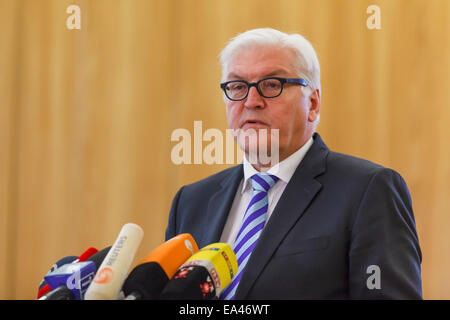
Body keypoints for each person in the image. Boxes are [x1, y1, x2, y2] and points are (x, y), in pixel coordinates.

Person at [165, 28, 422, 299]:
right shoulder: (191, 202)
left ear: (312, 103)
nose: (252, 101)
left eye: (272, 85)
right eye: (238, 86)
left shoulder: (368, 191)